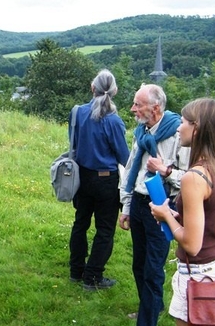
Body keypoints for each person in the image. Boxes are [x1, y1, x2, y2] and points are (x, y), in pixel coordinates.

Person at [150, 98, 215, 325]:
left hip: (199, 276)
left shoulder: (194, 177)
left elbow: (191, 244)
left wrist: (166, 215)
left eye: (182, 122)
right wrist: (187, 220)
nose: (179, 128)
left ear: (196, 127)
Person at [118, 83, 190, 325]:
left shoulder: (178, 134)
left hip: (163, 207)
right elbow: (131, 170)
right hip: (138, 203)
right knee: (139, 264)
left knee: (152, 269)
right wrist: (126, 207)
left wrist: (166, 171)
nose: (132, 109)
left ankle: (146, 321)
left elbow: (191, 177)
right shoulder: (141, 133)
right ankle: (153, 306)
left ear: (155, 108)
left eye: (138, 104)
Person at [68, 69, 130, 291]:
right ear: (114, 91)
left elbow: (72, 144)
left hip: (81, 177)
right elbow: (124, 157)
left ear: (92, 87)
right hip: (105, 180)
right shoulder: (113, 120)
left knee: (80, 223)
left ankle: (76, 271)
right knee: (104, 230)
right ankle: (93, 278)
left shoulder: (76, 113)